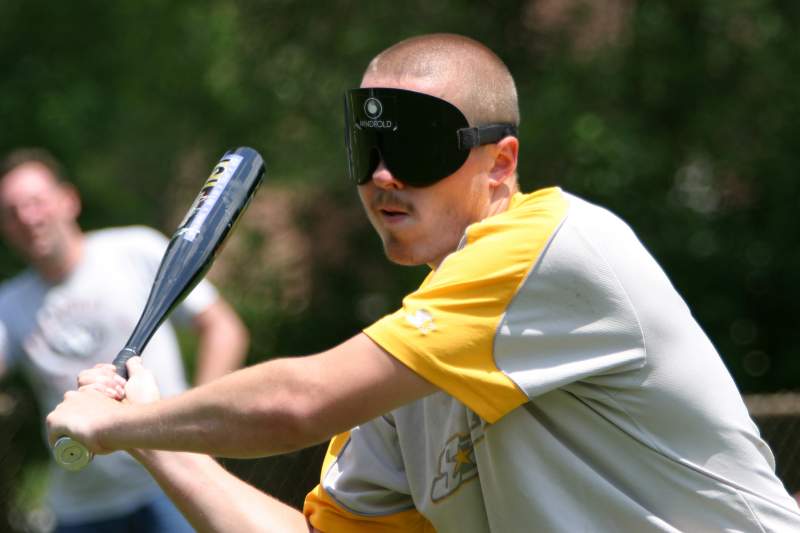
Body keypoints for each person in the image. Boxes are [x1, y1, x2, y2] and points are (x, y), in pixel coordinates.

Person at [46, 33, 800, 532]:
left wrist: (122, 423)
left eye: (415, 145)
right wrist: (153, 439)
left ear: (500, 164)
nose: (383, 175)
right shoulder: (416, 359)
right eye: (368, 147)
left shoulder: (552, 247)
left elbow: (297, 402)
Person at [0, 148, 249, 532]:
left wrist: (201, 414)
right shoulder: (9, 305)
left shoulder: (135, 250)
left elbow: (223, 327)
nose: (28, 218)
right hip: (82, 507)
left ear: (69, 200)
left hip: (170, 483)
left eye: (36, 202)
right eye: (12, 213)